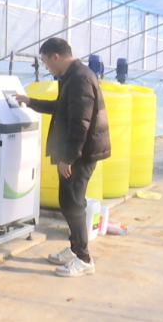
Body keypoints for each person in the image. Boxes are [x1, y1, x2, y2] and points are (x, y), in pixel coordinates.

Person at [14, 37, 110, 277]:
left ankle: (84, 259)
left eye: (46, 62)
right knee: (70, 203)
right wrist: (30, 102)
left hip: (80, 155)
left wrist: (68, 158)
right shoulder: (72, 76)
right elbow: (61, 108)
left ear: (55, 56)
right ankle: (75, 250)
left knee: (72, 204)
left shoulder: (80, 79)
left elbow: (80, 123)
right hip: (79, 152)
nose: (47, 67)